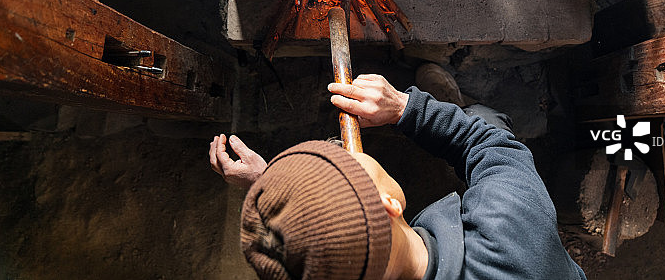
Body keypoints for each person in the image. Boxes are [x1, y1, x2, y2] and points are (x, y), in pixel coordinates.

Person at [209, 65, 586, 279]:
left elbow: (306, 254)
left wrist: (271, 185)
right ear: (391, 203)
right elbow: (490, 147)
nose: (344, 152)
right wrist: (408, 108)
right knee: (485, 124)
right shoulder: (510, 226)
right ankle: (459, 107)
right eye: (349, 166)